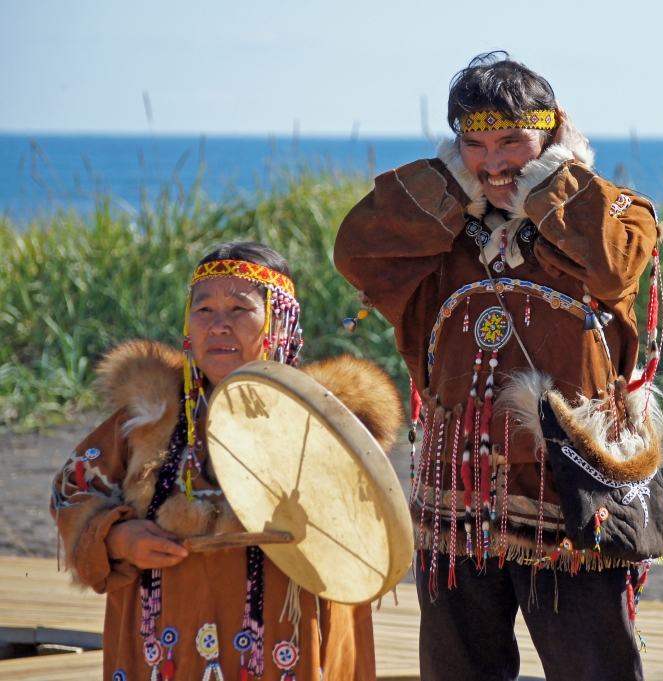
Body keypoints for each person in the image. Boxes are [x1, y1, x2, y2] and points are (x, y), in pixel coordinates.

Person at [334, 52, 663, 681]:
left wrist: (551, 181)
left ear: (552, 133)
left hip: (572, 488)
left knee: (593, 667)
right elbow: (356, 252)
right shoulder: (443, 231)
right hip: (459, 488)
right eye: (475, 145)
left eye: (513, 141)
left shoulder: (615, 212)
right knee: (459, 668)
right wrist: (451, 183)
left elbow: (616, 266)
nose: (494, 162)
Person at [50, 242, 403, 681]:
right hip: (163, 644)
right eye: (204, 310)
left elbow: (366, 532)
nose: (218, 325)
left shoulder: (325, 421)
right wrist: (118, 538)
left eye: (239, 309)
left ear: (280, 322)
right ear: (188, 324)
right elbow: (73, 487)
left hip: (286, 637)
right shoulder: (147, 415)